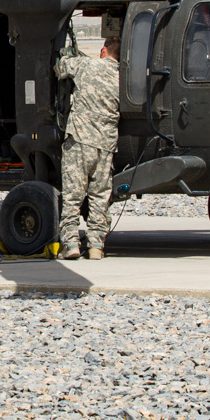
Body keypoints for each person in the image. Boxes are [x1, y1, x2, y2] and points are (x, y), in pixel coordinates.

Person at [55, 34, 121, 260]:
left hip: (80, 140)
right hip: (106, 145)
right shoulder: (121, 76)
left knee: (73, 195)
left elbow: (60, 67)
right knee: (100, 196)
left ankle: (71, 243)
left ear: (103, 51)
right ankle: (95, 246)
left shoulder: (87, 65)